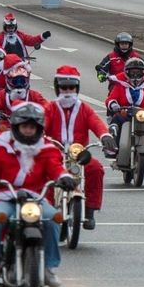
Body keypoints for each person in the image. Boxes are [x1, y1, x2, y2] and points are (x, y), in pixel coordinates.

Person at [0, 103, 71, 287]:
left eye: (32, 127)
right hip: (6, 195)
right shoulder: (1, 145)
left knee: (53, 218)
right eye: (24, 126)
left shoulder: (47, 148)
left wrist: (64, 177)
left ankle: (49, 268)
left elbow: (56, 167)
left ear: (38, 128)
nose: (28, 130)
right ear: (16, 127)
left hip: (36, 197)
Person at [44, 66, 117, 229]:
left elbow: (96, 123)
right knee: (43, 172)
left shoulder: (84, 108)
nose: (68, 91)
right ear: (57, 88)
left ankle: (89, 210)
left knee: (96, 168)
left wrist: (105, 135)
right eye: (64, 87)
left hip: (78, 154)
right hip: (54, 154)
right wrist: (37, 136)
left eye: (71, 87)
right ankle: (46, 210)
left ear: (77, 88)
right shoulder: (50, 107)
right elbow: (41, 125)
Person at [106, 57, 144, 154]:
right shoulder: (120, 84)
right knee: (116, 120)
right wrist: (114, 104)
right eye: (132, 72)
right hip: (126, 113)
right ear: (127, 72)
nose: (135, 74)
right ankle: (112, 147)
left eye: (138, 72)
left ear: (143, 73)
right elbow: (111, 98)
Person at [0, 55, 49, 133]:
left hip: (30, 130)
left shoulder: (34, 95)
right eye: (15, 81)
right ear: (8, 80)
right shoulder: (1, 95)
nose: (19, 84)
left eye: (22, 81)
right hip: (7, 130)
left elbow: (47, 107)